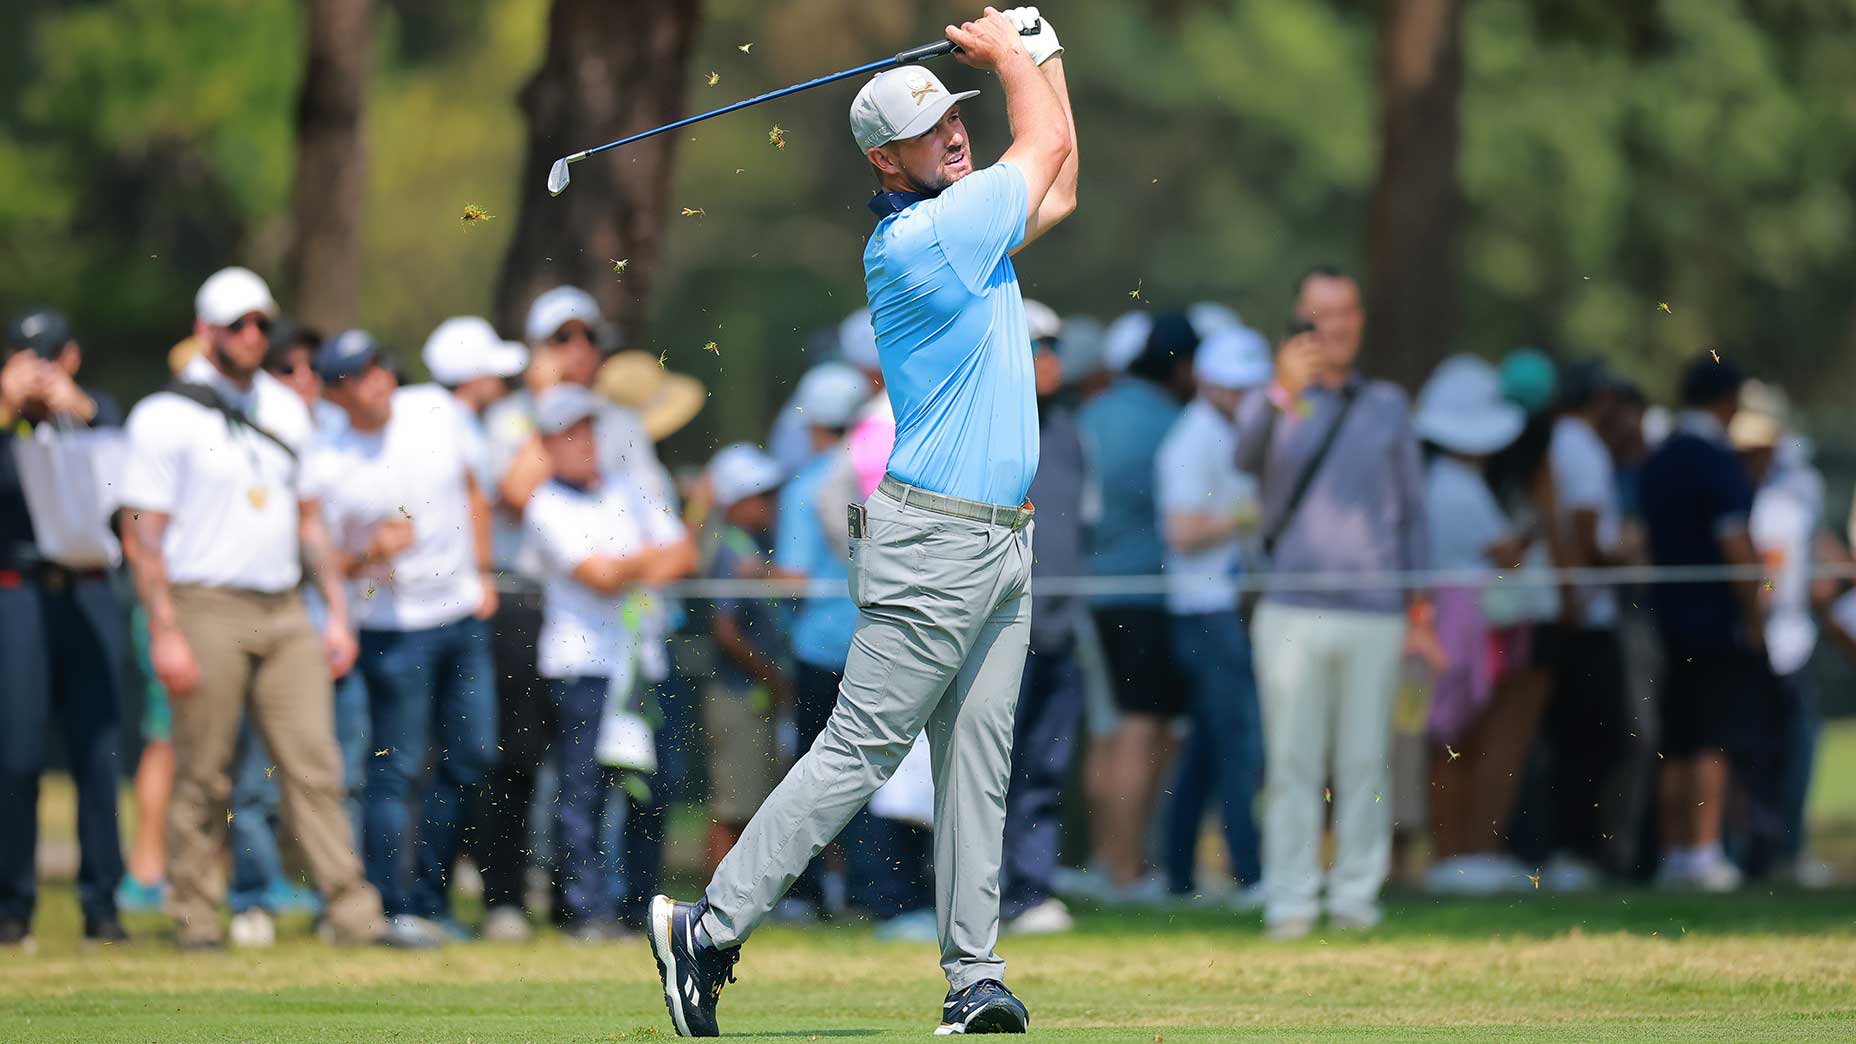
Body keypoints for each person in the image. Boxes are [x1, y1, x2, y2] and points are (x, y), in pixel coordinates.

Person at [648, 8, 1075, 1036]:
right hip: (936, 538)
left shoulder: (968, 222)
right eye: (932, 132)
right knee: (859, 750)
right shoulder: (927, 240)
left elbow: (1059, 178)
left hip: (1000, 540)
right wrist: (1019, 58)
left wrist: (1041, 49)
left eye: (957, 120)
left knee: (976, 763)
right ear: (886, 159)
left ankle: (972, 979)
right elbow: (1045, 146)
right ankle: (706, 929)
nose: (954, 136)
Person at [118, 267, 424, 949]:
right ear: (205, 332)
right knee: (205, 768)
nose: (253, 335)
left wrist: (337, 614)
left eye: (262, 323)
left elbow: (310, 523)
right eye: (237, 324)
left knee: (316, 763)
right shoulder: (163, 417)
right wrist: (163, 630)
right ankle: (196, 914)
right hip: (205, 604)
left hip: (284, 606)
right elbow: (143, 540)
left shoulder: (286, 408)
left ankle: (353, 914)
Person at [1233, 266, 1428, 940]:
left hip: (1375, 608)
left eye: (1344, 313)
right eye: (1319, 315)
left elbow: (1412, 515)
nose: (1333, 328)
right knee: (1291, 761)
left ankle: (1354, 900)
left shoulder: (1388, 406)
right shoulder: (1277, 399)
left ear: (1360, 321)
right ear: (1299, 321)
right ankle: (1289, 900)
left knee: (1365, 763)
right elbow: (1243, 457)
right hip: (1291, 605)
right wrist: (1280, 392)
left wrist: (1421, 609)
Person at [302, 329, 500, 939]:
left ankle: (428, 900)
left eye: (379, 366)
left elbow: (473, 491)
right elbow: (320, 559)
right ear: (335, 391)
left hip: (460, 614)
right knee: (399, 766)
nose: (378, 381)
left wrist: (485, 571)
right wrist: (366, 553)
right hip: (392, 628)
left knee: (472, 756)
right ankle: (391, 906)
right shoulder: (328, 462)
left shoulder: (435, 411)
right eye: (359, 374)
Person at [476, 286, 655, 942]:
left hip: (601, 610)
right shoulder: (509, 421)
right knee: (519, 761)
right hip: (528, 603)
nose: (579, 351)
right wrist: (545, 406)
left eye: (587, 337)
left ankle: (579, 900)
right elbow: (519, 493)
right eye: (562, 339)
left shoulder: (620, 423)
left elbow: (651, 516)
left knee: (597, 768)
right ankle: (505, 897)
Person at [524, 385, 696, 941]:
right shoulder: (544, 505)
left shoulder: (628, 489)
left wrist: (628, 566)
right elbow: (596, 577)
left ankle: (637, 906)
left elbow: (685, 554)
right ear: (548, 443)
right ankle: (586, 908)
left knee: (652, 786)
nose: (585, 443)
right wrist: (647, 561)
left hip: (642, 662)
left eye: (588, 430)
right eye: (570, 433)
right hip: (583, 663)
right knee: (584, 789)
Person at [221, 320, 355, 948]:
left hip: (323, 625)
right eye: (287, 368)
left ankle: (339, 901)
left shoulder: (338, 439)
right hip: (258, 616)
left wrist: (337, 612)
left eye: (313, 368)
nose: (304, 381)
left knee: (332, 769)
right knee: (251, 775)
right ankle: (252, 896)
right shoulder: (242, 437)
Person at [0, 309, 129, 948]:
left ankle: (102, 906)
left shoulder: (94, 413)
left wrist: (74, 406)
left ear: (71, 359)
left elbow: (127, 470)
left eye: (49, 356)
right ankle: (12, 907)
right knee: (17, 757)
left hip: (88, 590)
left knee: (98, 753)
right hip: (18, 592)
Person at [1074, 312, 1199, 902]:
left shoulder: (1090, 415)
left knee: (1107, 731)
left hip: (1085, 591)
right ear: (1181, 367)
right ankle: (1128, 870)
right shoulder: (1176, 424)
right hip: (1142, 594)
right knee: (1140, 729)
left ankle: (1106, 860)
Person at [1408, 357, 1539, 894]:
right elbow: (1503, 554)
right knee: (1455, 735)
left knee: (1460, 735)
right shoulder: (1453, 486)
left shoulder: (1449, 481)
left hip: (1466, 614)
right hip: (1462, 618)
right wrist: (1536, 529)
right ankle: (1454, 852)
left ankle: (1463, 852)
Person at [1153, 324, 1272, 906]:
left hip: (1220, 609)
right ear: (1213, 385)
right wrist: (1247, 517)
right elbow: (1181, 531)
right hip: (1205, 612)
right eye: (1238, 387)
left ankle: (1178, 872)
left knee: (1206, 748)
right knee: (1235, 742)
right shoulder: (1191, 441)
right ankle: (1249, 872)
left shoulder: (1223, 432)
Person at [1639, 353, 1764, 893]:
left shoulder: (1659, 457)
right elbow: (1737, 548)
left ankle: (1673, 855)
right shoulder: (1716, 460)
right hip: (1712, 620)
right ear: (1727, 399)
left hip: (1662, 618)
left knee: (1676, 742)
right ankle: (1704, 852)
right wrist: (1755, 611)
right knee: (1711, 739)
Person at [769, 361, 881, 919]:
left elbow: (789, 576)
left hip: (818, 646)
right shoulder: (879, 476)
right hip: (874, 643)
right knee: (871, 771)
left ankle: (808, 893)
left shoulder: (803, 487)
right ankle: (867, 889)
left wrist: (750, 573)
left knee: (813, 774)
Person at [999, 303, 1091, 935]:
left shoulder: (1068, 432)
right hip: (1004, 624)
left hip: (1060, 627)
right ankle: (982, 894)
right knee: (992, 771)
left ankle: (1030, 890)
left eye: (1053, 346)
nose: (1048, 359)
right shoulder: (996, 427)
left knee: (1044, 768)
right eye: (1034, 346)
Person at [1728, 381, 1840, 884]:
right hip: (1744, 638)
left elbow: (1806, 549)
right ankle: (1738, 855)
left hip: (1792, 638)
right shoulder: (1730, 480)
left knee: (1795, 750)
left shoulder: (1799, 482)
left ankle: (1785, 851)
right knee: (1744, 753)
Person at [1531, 360, 1632, 890]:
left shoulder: (1555, 442)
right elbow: (1590, 540)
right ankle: (1574, 849)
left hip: (1560, 609)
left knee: (1567, 738)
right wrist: (1633, 555)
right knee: (1595, 739)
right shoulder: (1584, 448)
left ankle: (1563, 849)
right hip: (1584, 615)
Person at [701, 444, 791, 872]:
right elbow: (726, 631)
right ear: (735, 500)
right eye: (761, 494)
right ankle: (714, 901)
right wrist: (772, 677)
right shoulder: (728, 552)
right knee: (732, 805)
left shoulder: (749, 545)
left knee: (752, 798)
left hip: (751, 693)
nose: (770, 503)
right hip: (736, 694)